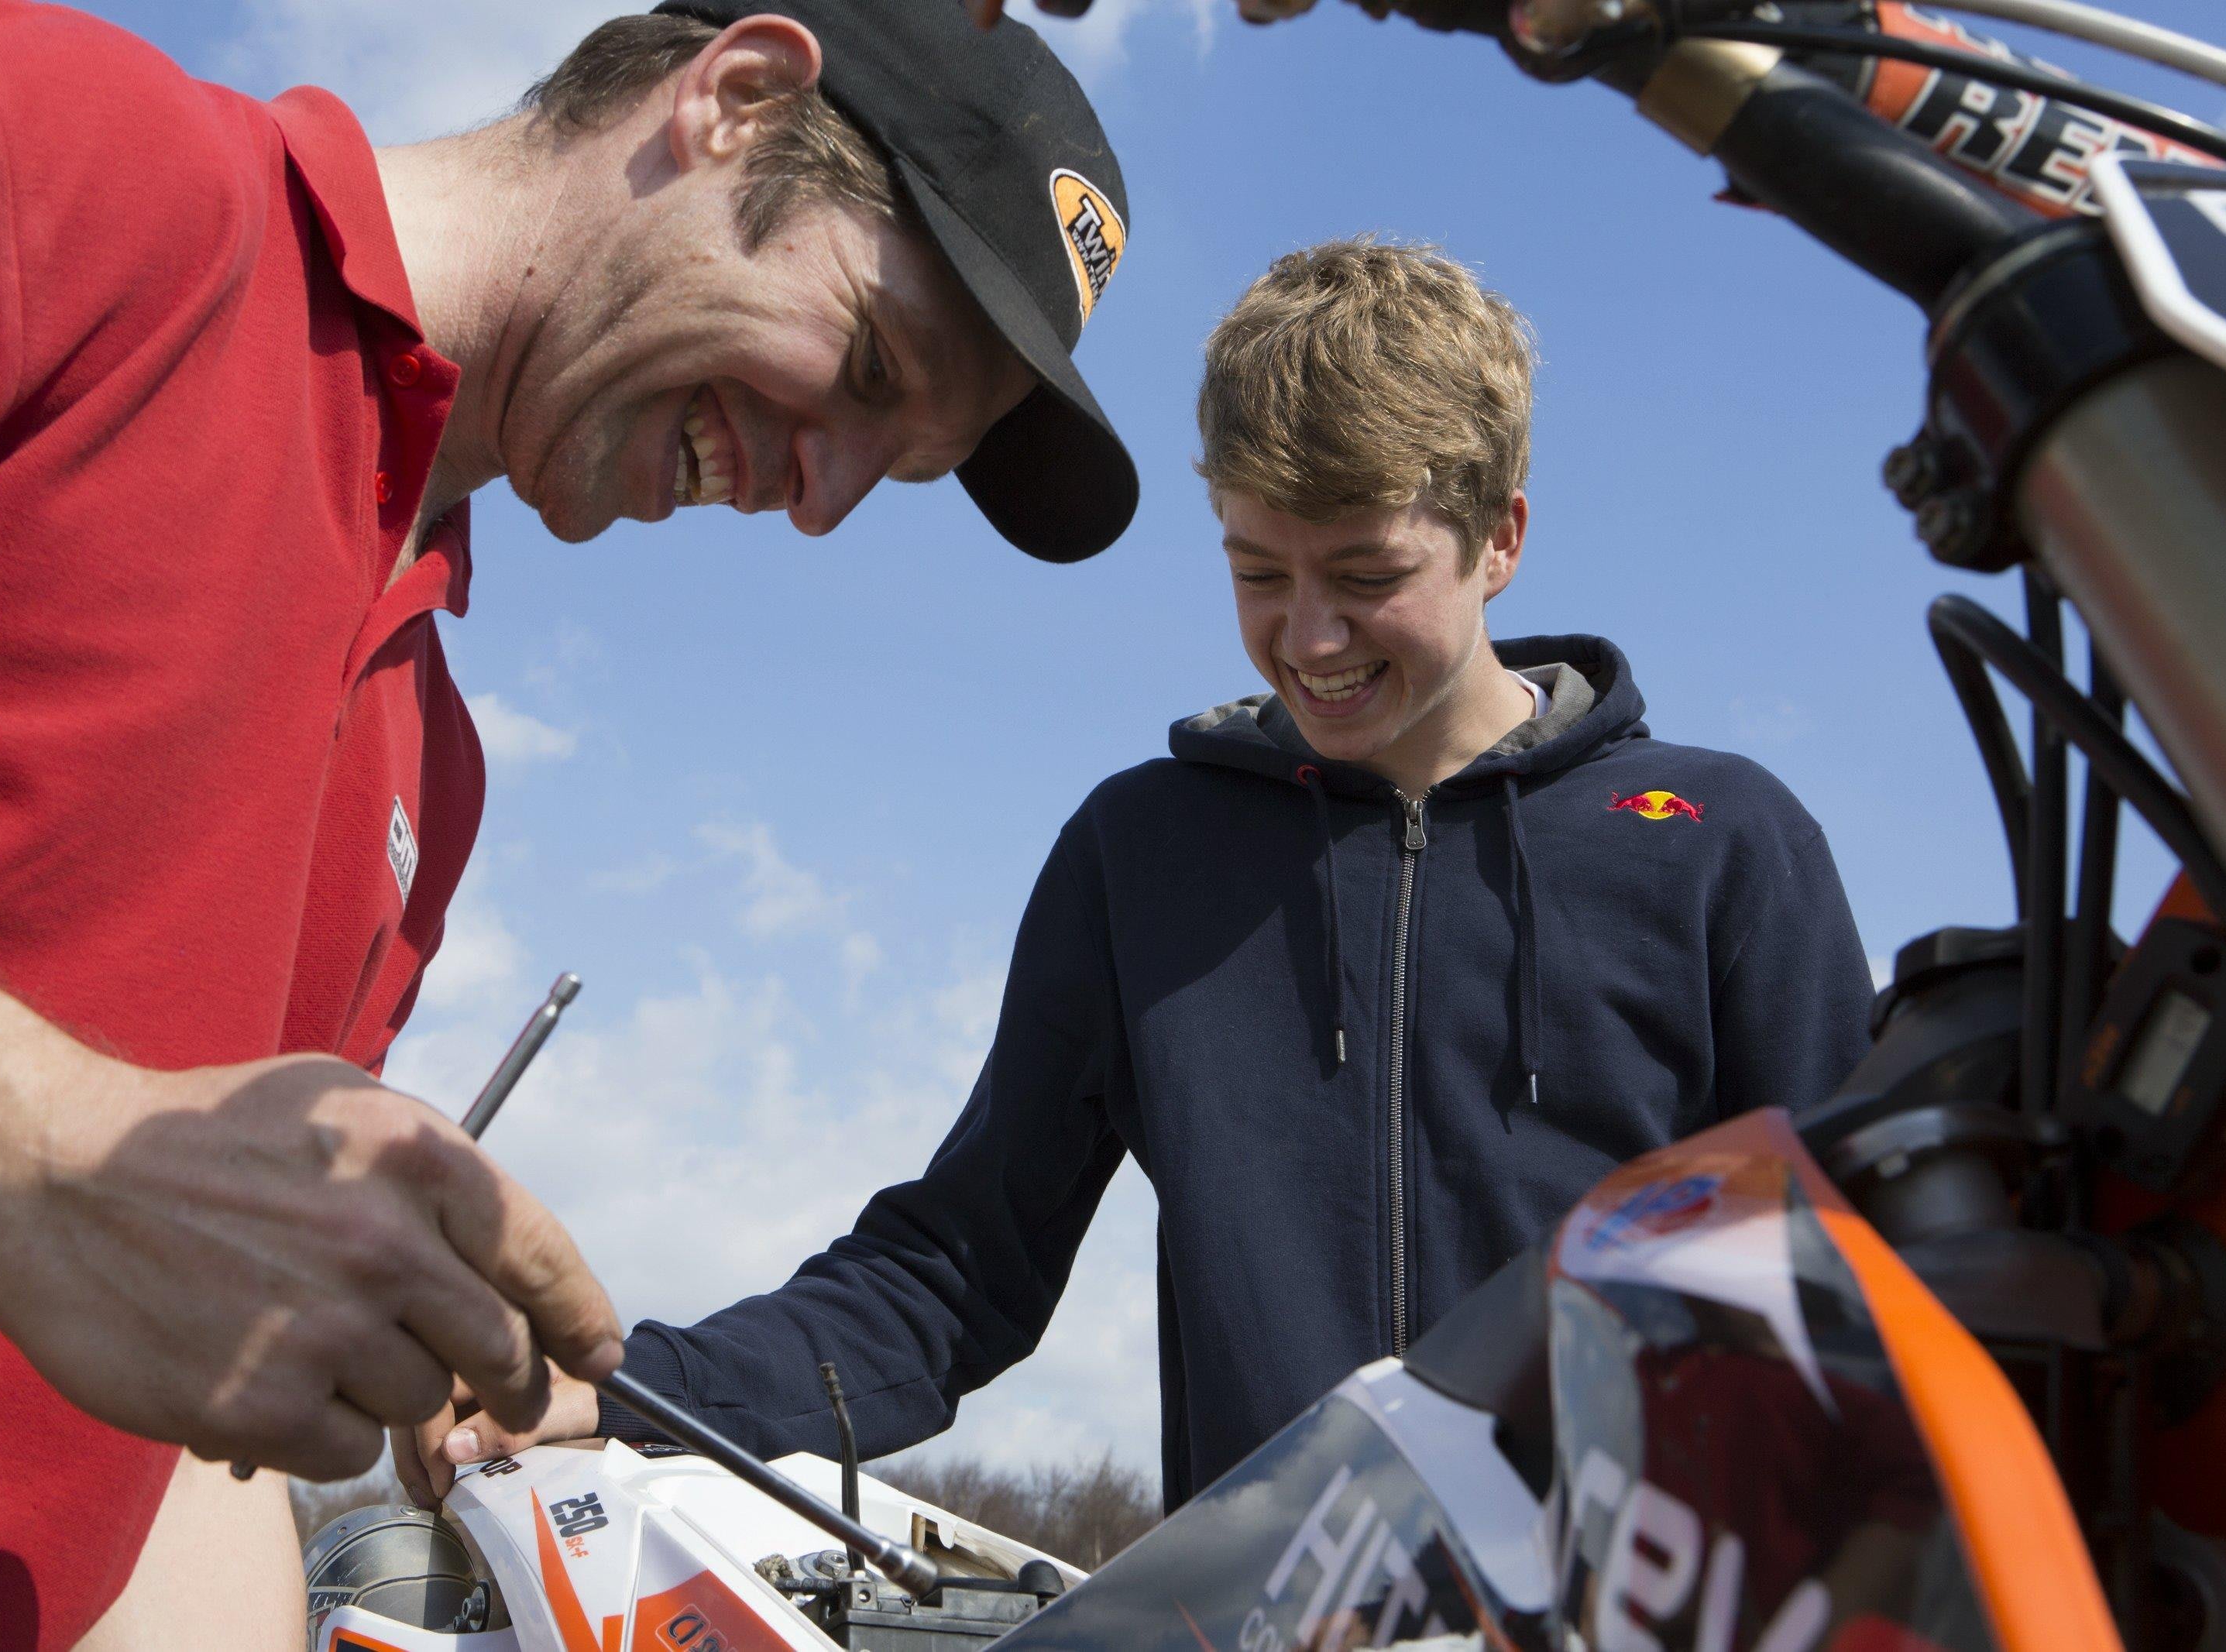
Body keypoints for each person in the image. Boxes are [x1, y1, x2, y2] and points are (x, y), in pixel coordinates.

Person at [0, 0, 1135, 1644]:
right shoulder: (46, 156)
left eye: (895, 466)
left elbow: (158, 1441)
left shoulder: (429, 767)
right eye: (869, 366)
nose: (821, 499)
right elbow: (100, 1201)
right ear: (735, 101)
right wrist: (59, 1156)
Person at [399, 240, 1874, 1512]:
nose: (1310, 638)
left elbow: (1868, 1302)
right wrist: (629, 1392)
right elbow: (954, 1273)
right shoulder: (1142, 854)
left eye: (1367, 576)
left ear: (1501, 539)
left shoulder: (1720, 844)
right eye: (1257, 572)